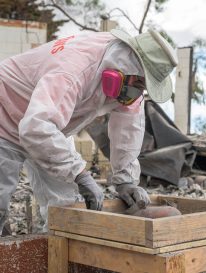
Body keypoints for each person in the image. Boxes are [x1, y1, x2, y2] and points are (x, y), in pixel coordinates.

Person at [0, 28, 178, 233]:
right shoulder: (74, 70)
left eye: (143, 87)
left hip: (50, 123)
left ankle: (53, 255)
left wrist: (126, 179)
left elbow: (129, 128)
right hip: (6, 110)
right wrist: (80, 174)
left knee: (66, 205)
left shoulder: (126, 76)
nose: (138, 92)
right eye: (139, 83)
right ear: (127, 65)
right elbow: (36, 128)